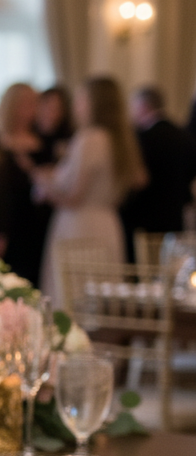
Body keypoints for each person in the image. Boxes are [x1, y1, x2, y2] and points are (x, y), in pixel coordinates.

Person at [36, 77, 148, 303]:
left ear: (94, 103)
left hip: (79, 225)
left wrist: (45, 185)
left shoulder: (90, 138)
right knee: (102, 298)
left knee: (74, 296)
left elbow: (74, 197)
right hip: (107, 222)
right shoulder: (121, 139)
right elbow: (139, 180)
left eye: (81, 99)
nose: (77, 105)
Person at [119, 86, 196, 261]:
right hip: (175, 218)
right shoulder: (184, 137)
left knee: (145, 268)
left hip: (144, 220)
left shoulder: (140, 139)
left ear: (143, 106)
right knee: (170, 268)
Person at [0, 83, 50, 285]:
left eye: (34, 104)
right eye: (24, 104)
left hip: (39, 222)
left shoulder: (44, 141)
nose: (30, 110)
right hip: (11, 221)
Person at [34, 86, 75, 166]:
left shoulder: (68, 139)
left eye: (58, 107)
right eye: (48, 106)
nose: (52, 112)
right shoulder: (27, 134)